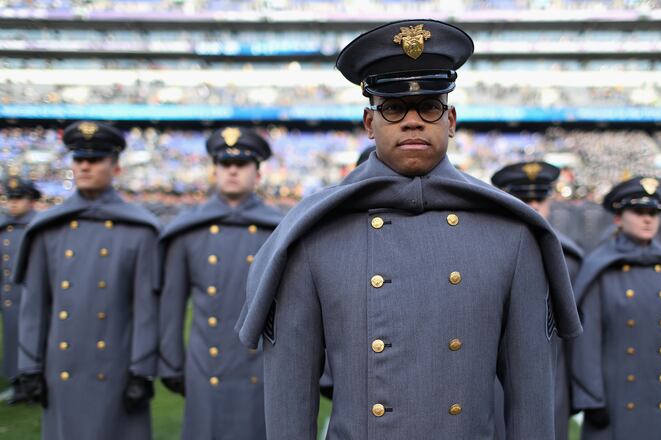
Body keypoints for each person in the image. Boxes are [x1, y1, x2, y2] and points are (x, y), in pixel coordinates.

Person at [236, 19, 581, 439]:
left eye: (429, 106)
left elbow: (532, 407)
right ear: (369, 123)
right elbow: (291, 402)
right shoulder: (313, 236)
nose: (413, 121)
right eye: (394, 107)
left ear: (450, 120)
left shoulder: (512, 236)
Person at [14, 121, 160, 439]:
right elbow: (34, 305)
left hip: (117, 370)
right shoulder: (47, 228)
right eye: (79, 158)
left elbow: (146, 309)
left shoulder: (140, 230)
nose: (84, 165)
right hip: (62, 369)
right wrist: (29, 366)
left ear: (116, 167)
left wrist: (142, 371)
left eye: (95, 159)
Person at [158, 127, 282, 440]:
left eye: (241, 165)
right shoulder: (188, 230)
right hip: (205, 366)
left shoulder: (280, 230)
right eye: (225, 164)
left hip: (261, 369)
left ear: (258, 173)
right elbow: (171, 304)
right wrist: (171, 363)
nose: (232, 171)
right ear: (214, 170)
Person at [571, 176, 661, 440]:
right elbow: (587, 343)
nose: (648, 219)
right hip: (612, 400)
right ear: (618, 218)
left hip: (658, 397)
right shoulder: (601, 269)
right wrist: (591, 397)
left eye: (654, 213)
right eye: (639, 212)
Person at [491, 160, 584, 440]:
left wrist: (580, 389)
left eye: (540, 198)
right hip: (490, 380)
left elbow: (578, 335)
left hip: (551, 377)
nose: (534, 205)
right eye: (524, 198)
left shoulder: (570, 259)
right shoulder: (481, 251)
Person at [0, 177, 40, 404]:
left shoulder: (37, 225)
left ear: (31, 201)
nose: (13, 203)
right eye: (10, 199)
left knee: (34, 341)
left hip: (31, 294)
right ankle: (18, 384)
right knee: (12, 342)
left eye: (19, 198)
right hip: (9, 296)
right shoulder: (4, 226)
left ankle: (34, 383)